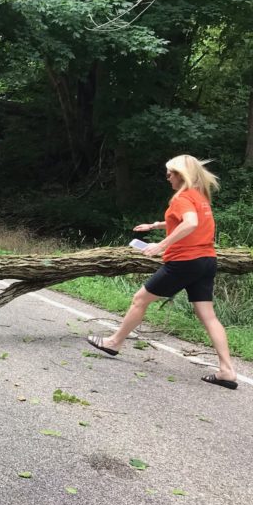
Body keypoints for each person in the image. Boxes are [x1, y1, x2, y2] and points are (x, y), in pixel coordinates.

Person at [87, 155, 238, 390]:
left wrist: (161, 245)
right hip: (207, 261)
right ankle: (227, 370)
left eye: (171, 172)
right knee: (208, 316)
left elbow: (190, 224)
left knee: (140, 299)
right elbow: (188, 221)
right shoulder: (200, 196)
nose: (167, 177)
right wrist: (155, 225)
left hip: (185, 262)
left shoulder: (183, 197)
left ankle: (114, 342)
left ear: (181, 174)